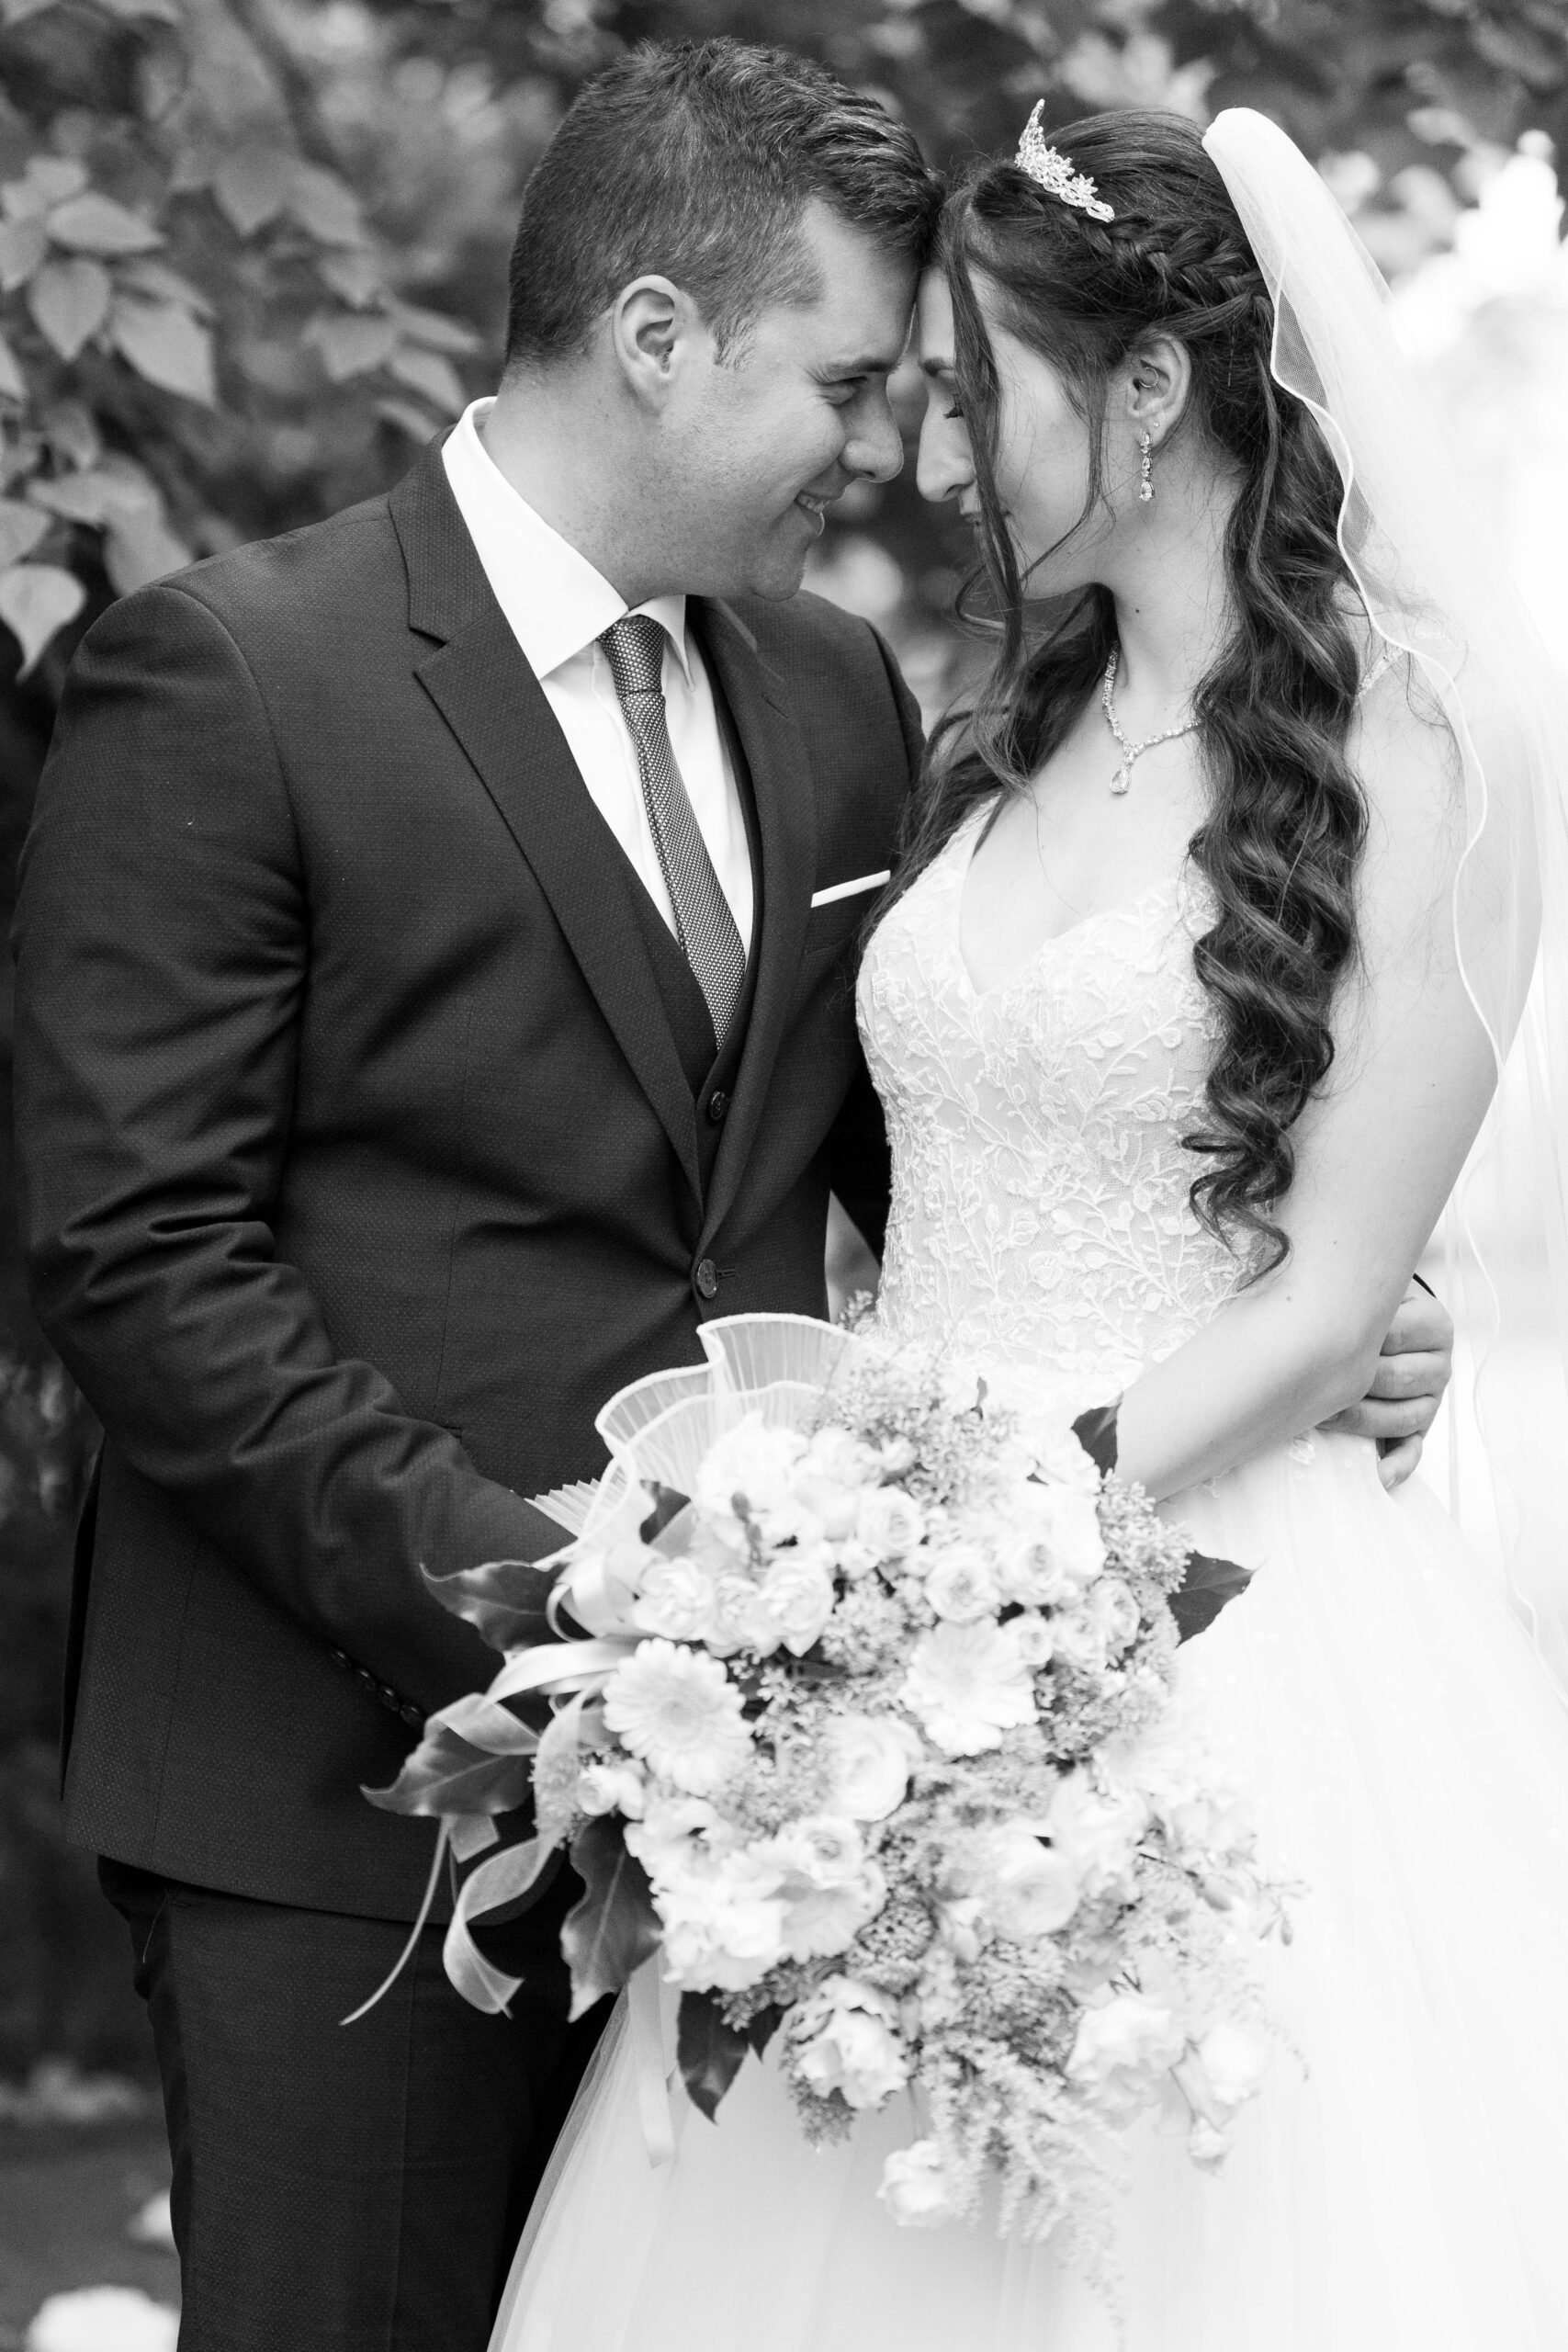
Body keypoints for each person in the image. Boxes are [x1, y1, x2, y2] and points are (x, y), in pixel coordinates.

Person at [12, 44, 1450, 2352]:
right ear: (660, 335)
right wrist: (552, 1600)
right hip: (343, 1803)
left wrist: (1294, 1294)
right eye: (850, 382)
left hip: (803, 1803)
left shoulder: (827, 687)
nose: (890, 450)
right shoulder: (234, 675)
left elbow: (922, 1133)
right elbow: (135, 1255)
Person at [491, 104, 1568, 2352]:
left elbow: (1327, 1298)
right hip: (888, 1627)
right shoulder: (995, 724)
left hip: (1197, 1604)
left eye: (980, 391)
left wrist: (983, 1556)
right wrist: (855, 1597)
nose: (938, 452)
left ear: (1146, 386)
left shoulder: (1422, 739)